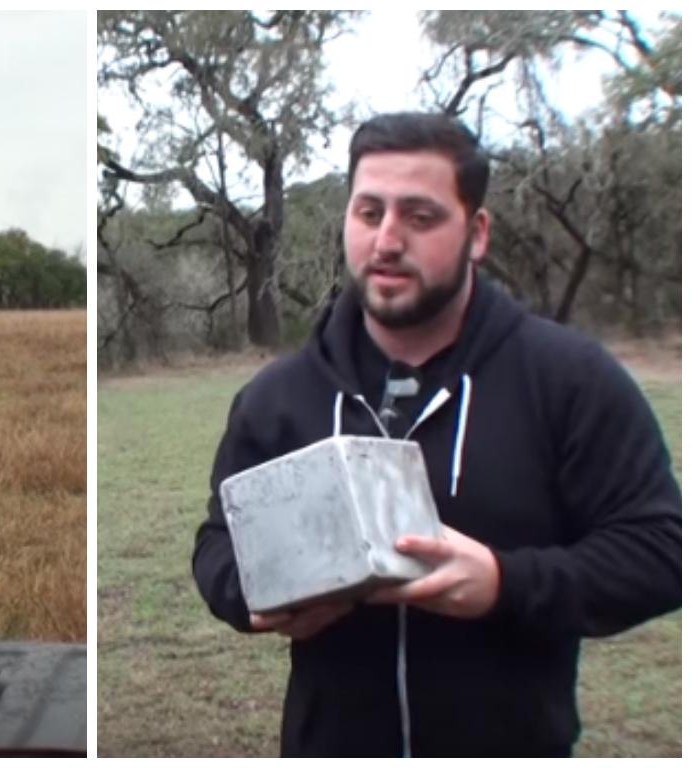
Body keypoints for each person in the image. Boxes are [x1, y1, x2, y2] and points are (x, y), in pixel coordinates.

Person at [192, 112, 681, 757]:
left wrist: (506, 583)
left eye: (420, 217)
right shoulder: (278, 397)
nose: (387, 241)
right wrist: (253, 600)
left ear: (476, 233)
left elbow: (662, 551)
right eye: (369, 214)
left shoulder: (570, 379)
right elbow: (218, 544)